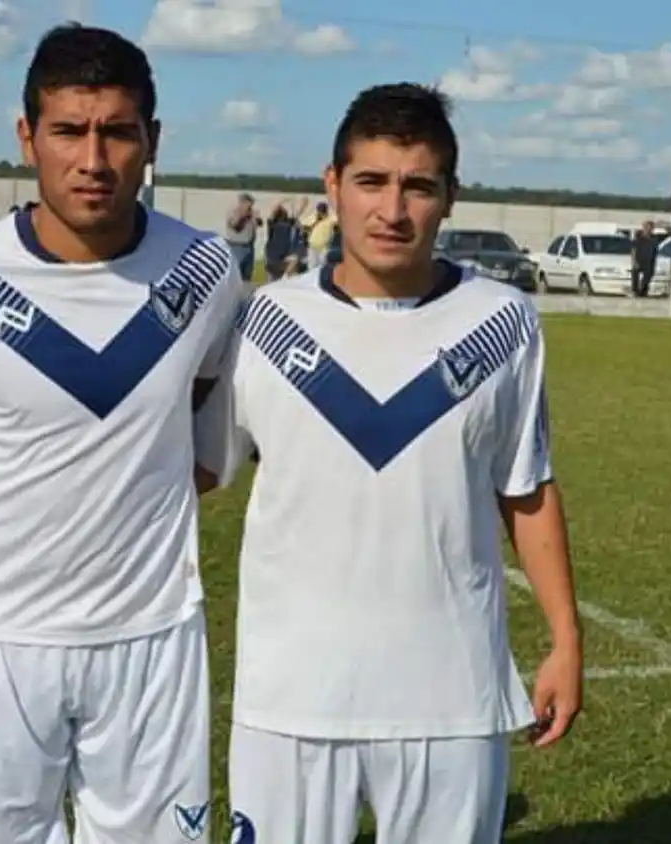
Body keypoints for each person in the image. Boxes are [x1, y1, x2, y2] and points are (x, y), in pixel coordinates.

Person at [0, 23, 243, 844]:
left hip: (154, 635)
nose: (93, 158)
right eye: (69, 130)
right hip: (5, 636)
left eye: (117, 131)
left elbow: (202, 421)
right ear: (26, 137)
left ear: (152, 140)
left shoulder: (209, 272)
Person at [196, 83, 583, 844]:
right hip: (289, 700)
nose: (392, 210)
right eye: (370, 181)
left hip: (452, 700)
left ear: (450, 197)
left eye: (417, 186)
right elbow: (195, 471)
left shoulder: (503, 322)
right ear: (332, 185)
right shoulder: (262, 320)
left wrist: (566, 640)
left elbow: (527, 488)